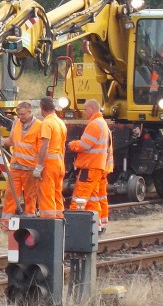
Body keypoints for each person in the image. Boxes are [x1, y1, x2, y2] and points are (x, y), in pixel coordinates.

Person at [68, 98, 113, 232]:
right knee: (95, 198)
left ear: (92, 109)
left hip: (90, 167)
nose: (84, 112)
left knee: (80, 197)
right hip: (98, 167)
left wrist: (72, 144)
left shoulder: (94, 124)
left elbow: (84, 145)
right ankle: (98, 225)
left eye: (85, 110)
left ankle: (73, 226)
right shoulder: (103, 124)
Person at [0, 100, 44, 226]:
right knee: (10, 194)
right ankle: (5, 223)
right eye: (18, 115)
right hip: (16, 166)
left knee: (30, 196)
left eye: (23, 114)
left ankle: (30, 220)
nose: (20, 117)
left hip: (30, 168)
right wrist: (2, 141)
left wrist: (39, 167)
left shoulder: (40, 126)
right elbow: (12, 140)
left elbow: (42, 149)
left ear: (30, 112)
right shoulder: (16, 123)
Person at [37, 96, 67, 219]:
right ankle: (60, 222)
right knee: (57, 194)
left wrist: (39, 166)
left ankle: (48, 223)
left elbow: (45, 146)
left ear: (42, 108)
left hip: (49, 164)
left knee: (46, 195)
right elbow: (63, 147)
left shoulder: (47, 123)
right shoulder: (60, 122)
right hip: (59, 164)